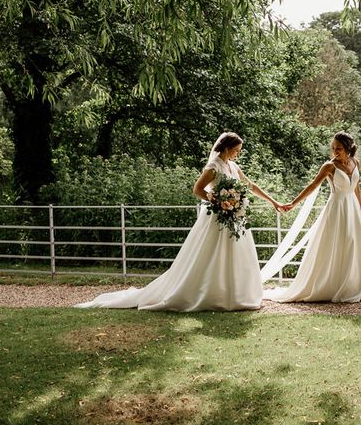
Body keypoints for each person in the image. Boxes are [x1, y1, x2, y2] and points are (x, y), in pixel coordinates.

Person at [75, 132, 281, 311]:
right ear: (227, 148)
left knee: (236, 256)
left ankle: (238, 295)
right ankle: (212, 294)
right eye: (236, 149)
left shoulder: (233, 166)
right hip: (218, 217)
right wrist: (218, 201)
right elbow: (197, 189)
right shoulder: (214, 166)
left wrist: (274, 202)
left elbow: (250, 185)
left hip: (234, 218)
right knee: (211, 256)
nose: (238, 153)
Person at [262, 131, 361, 303]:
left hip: (353, 209)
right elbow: (313, 185)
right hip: (337, 209)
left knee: (354, 244)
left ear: (348, 149)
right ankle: (332, 286)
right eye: (333, 148)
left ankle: (355, 285)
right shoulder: (329, 166)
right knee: (340, 243)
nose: (335, 151)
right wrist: (294, 203)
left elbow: (356, 187)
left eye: (339, 148)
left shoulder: (355, 162)